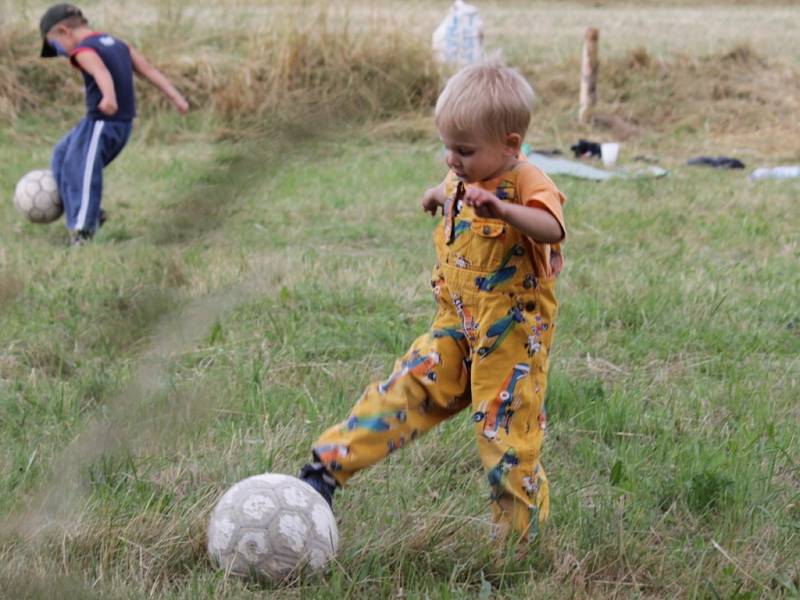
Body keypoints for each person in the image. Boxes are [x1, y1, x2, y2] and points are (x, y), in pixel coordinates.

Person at [300, 61, 567, 549]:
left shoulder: (529, 182)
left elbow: (552, 228)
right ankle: (326, 470)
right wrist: (435, 195)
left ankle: (520, 547)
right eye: (446, 147)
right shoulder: (462, 175)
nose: (452, 159)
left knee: (504, 436)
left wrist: (506, 211)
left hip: (509, 344)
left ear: (510, 144)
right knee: (404, 388)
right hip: (456, 327)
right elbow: (449, 189)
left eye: (464, 150)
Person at [39, 3, 189, 245]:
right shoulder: (118, 44)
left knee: (83, 170)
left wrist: (109, 97)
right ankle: (90, 212)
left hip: (103, 122)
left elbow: (100, 72)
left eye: (55, 46)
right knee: (62, 154)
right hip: (111, 123)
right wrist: (176, 97)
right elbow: (148, 70)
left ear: (64, 31)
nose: (59, 52)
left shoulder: (82, 51)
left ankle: (83, 230)